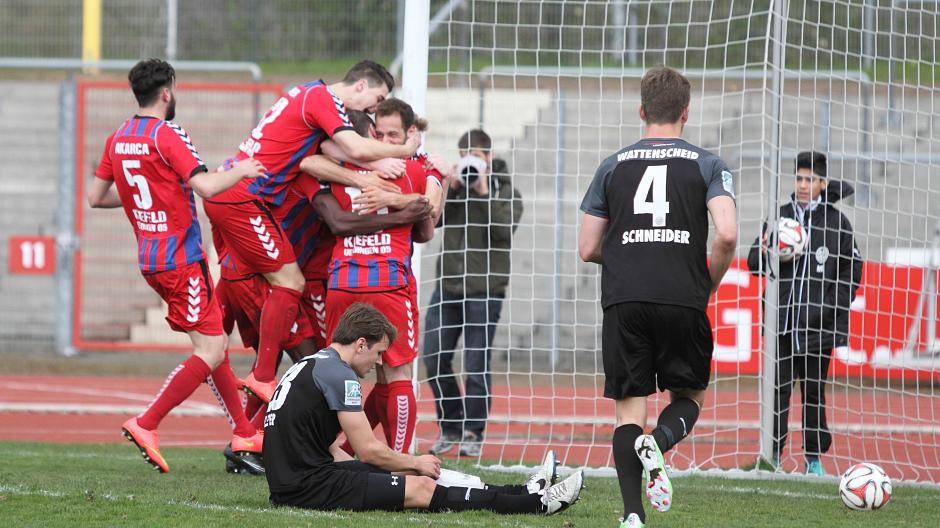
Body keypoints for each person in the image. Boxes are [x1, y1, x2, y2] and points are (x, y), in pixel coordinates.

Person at [86, 58, 269, 473]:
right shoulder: (167, 134)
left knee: (214, 345)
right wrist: (241, 170)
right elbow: (205, 186)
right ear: (167, 92)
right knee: (211, 349)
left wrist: (145, 201)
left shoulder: (118, 137)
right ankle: (147, 422)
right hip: (181, 259)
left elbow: (96, 198)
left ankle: (244, 432)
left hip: (151, 258)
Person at [203, 60, 420, 404]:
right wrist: (406, 151)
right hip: (243, 205)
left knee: (245, 344)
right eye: (377, 99)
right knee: (296, 315)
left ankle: (247, 416)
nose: (375, 109)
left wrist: (414, 173)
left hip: (239, 208)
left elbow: (337, 152)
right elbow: (348, 156)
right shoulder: (320, 101)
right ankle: (256, 386)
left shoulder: (309, 103)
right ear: (361, 86)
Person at [577, 67, 737, 528]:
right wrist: (706, 281)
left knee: (629, 409)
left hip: (625, 298)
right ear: (686, 112)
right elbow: (727, 234)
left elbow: (587, 247)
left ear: (641, 111)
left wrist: (631, 254)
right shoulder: (709, 164)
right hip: (682, 295)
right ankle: (661, 442)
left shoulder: (612, 165)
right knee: (690, 395)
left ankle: (632, 515)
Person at [262, 302, 584, 514]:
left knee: (406, 472)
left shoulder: (312, 363)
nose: (379, 362)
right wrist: (413, 462)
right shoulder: (339, 374)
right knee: (421, 486)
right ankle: (535, 505)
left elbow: (329, 449)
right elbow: (368, 449)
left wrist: (387, 470)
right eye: (378, 352)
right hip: (306, 486)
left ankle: (523, 491)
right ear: (360, 344)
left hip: (297, 480)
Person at [310, 104, 442, 453]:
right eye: (379, 134)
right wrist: (405, 198)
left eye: (390, 135)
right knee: (397, 374)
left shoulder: (336, 170)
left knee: (339, 373)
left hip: (342, 281)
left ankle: (337, 452)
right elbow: (426, 230)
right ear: (370, 134)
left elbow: (309, 162)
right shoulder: (413, 169)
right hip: (388, 282)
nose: (383, 140)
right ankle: (400, 459)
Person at [746, 151, 862, 476]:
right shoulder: (779, 217)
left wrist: (830, 307)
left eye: (810, 179)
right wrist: (767, 250)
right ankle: (773, 455)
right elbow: (753, 263)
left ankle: (813, 459)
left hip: (818, 327)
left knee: (813, 392)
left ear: (823, 183)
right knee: (777, 391)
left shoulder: (836, 222)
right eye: (798, 178)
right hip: (781, 323)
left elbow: (852, 270)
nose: (802, 185)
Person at [422, 129, 523, 457]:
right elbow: (432, 222)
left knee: (476, 362)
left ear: (489, 158)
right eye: (464, 155)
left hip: (485, 290)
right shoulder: (455, 188)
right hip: (448, 286)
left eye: (476, 156)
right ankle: (451, 425)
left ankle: (473, 432)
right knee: (434, 356)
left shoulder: (506, 191)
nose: (470, 162)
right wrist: (450, 188)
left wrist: (482, 191)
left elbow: (505, 230)